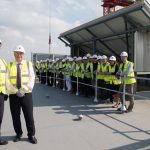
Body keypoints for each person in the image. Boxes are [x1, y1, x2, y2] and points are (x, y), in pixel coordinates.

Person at [6, 45, 37, 144]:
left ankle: (31, 134)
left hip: (26, 94)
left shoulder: (28, 64)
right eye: (17, 53)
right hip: (14, 95)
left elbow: (32, 78)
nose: (19, 55)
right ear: (14, 54)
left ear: (24, 55)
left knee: (29, 115)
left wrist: (24, 89)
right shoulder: (9, 65)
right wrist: (15, 91)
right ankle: (18, 133)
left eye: (21, 53)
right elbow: (7, 80)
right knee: (15, 116)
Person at [0, 40, 8, 145]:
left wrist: (6, 92)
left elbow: (6, 78)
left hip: (1, 94)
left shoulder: (3, 61)